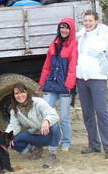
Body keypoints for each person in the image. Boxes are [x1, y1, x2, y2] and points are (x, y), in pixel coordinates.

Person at [76, 10, 108, 159]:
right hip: (82, 79)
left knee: (101, 113)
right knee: (87, 114)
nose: (87, 23)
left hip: (97, 79)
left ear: (96, 21)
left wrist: (103, 72)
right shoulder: (80, 36)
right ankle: (94, 144)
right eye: (85, 20)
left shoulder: (104, 37)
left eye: (90, 20)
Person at [38, 18, 78, 151]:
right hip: (52, 85)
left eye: (67, 28)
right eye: (62, 27)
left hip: (65, 87)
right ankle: (53, 138)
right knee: (45, 111)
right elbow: (47, 66)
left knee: (65, 117)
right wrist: (42, 83)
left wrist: (69, 85)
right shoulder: (54, 43)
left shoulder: (74, 44)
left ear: (71, 30)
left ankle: (66, 142)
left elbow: (73, 67)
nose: (64, 30)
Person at [6, 82, 61, 169]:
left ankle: (52, 155)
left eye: (22, 92)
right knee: (13, 141)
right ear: (13, 96)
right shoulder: (14, 110)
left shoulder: (38, 102)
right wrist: (7, 137)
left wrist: (47, 120)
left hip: (48, 134)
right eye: (17, 93)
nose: (20, 95)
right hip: (35, 136)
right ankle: (35, 149)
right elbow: (13, 126)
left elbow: (53, 115)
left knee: (55, 125)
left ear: (27, 93)